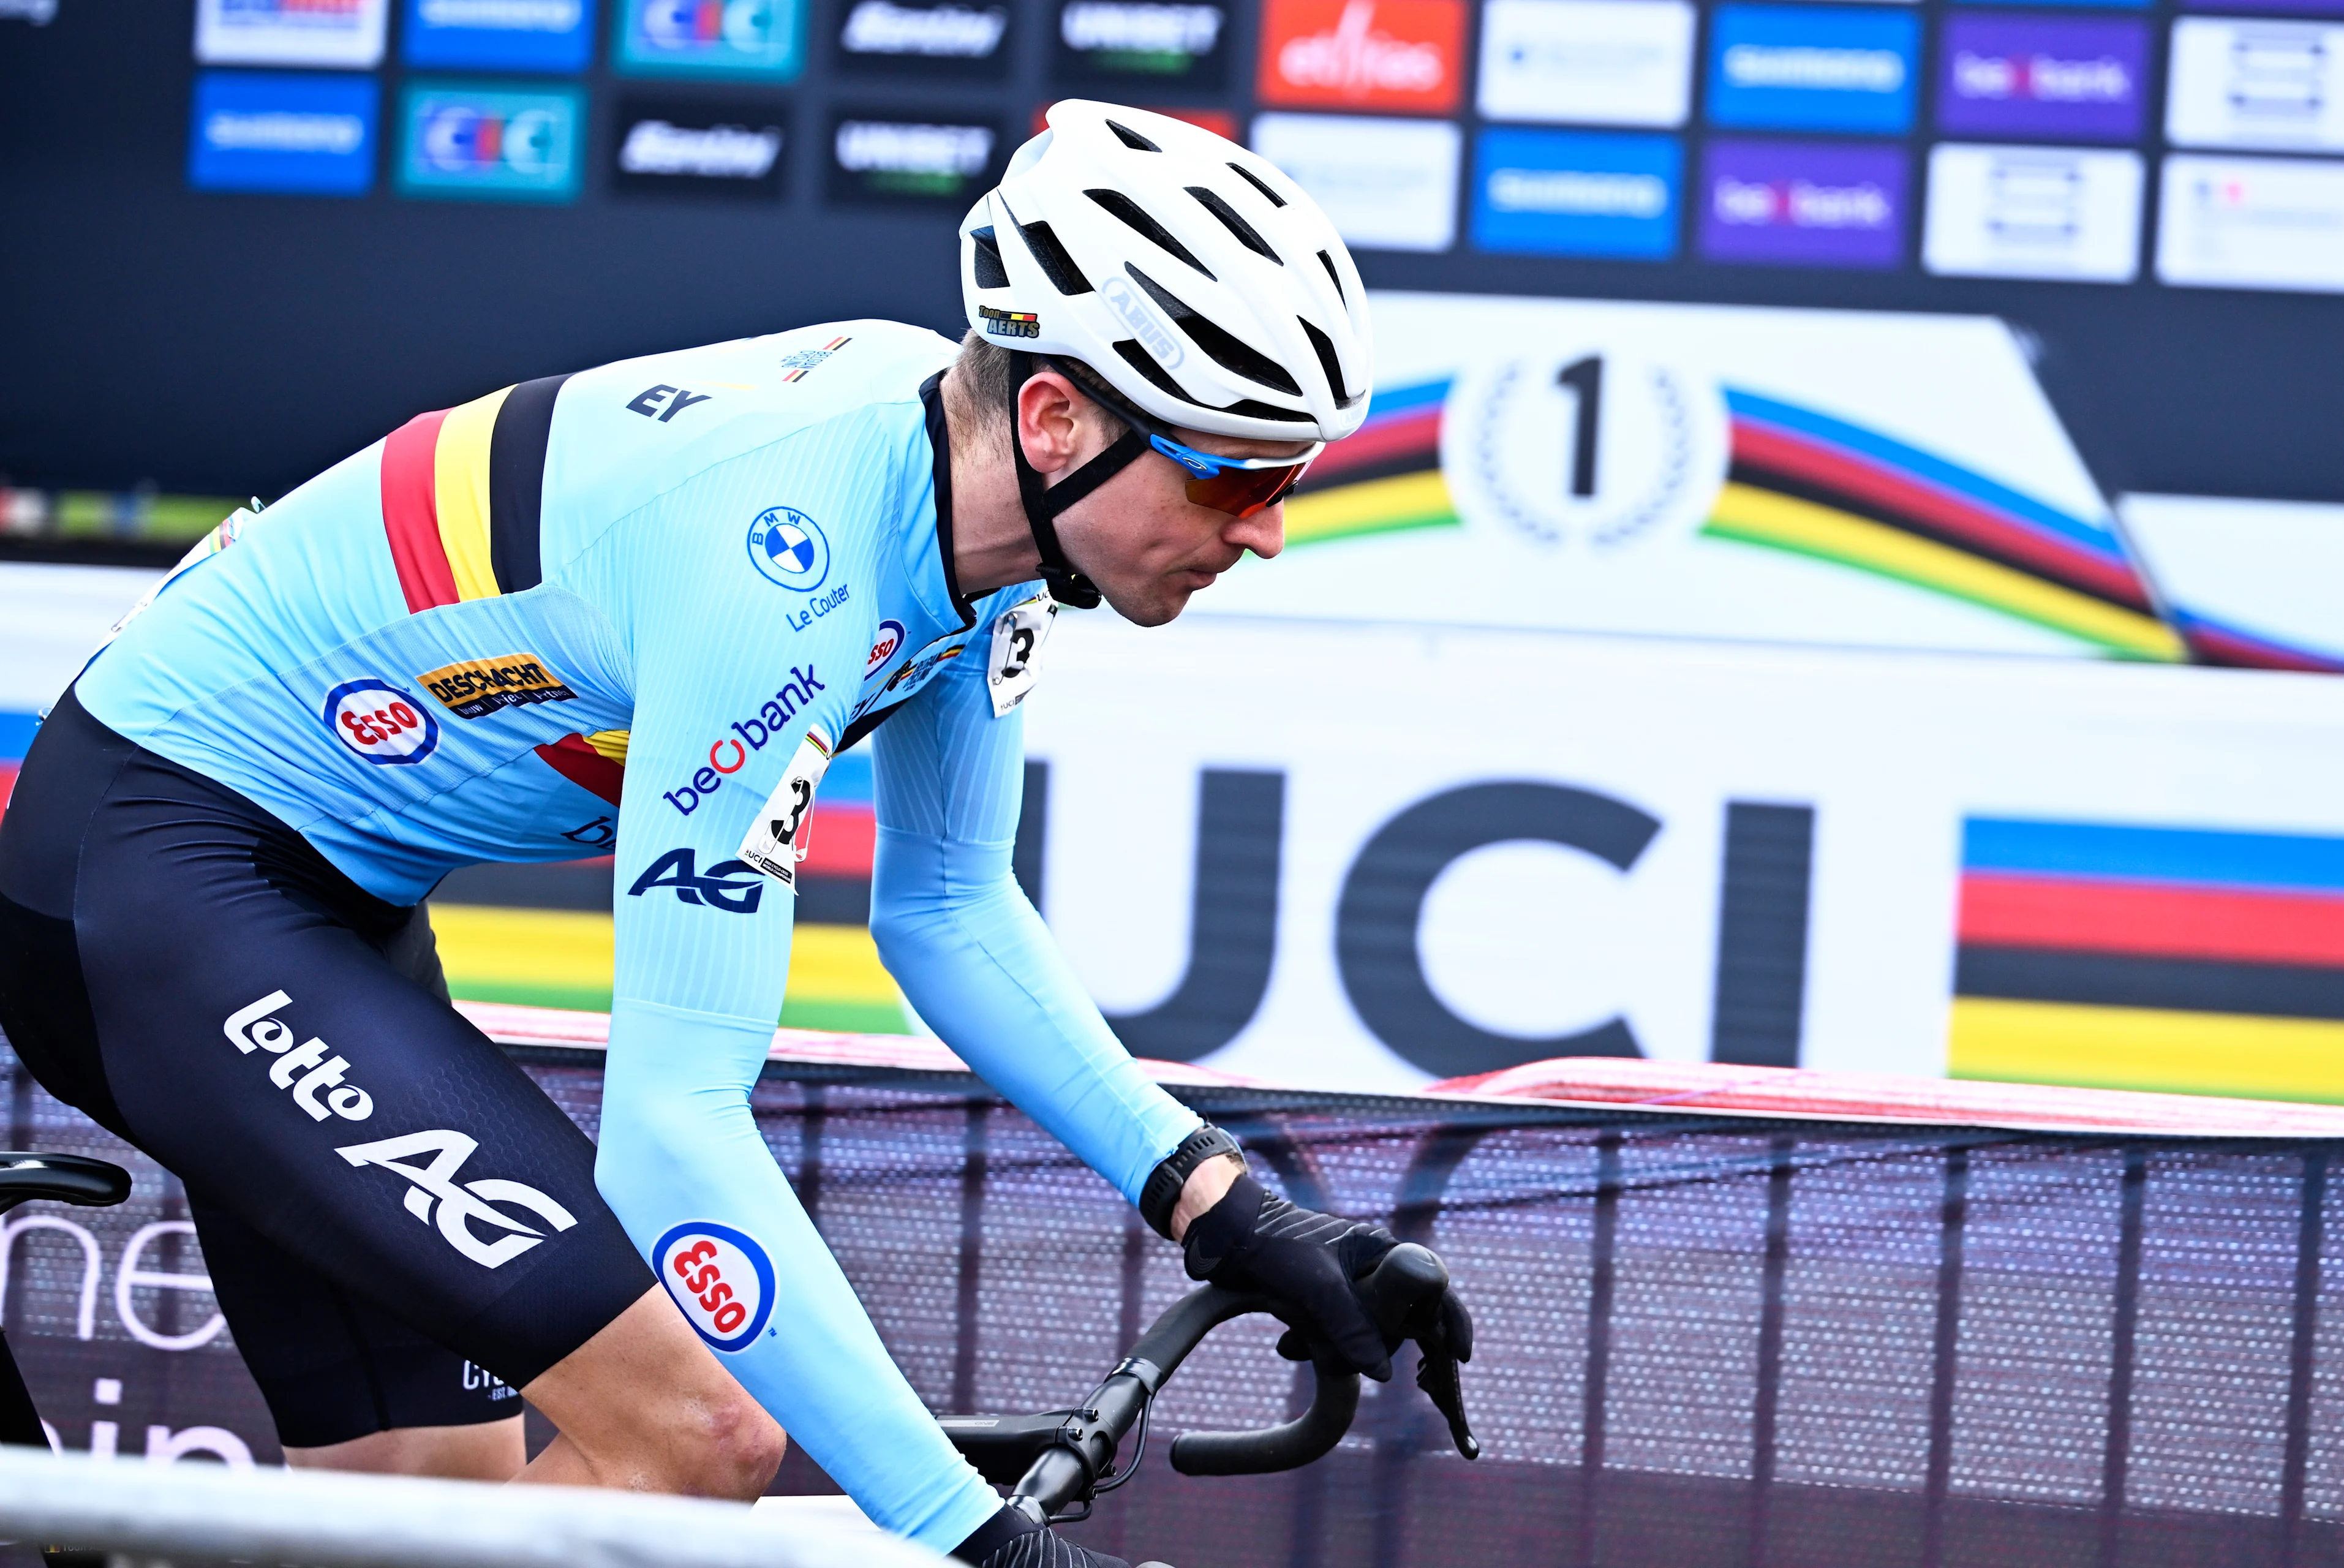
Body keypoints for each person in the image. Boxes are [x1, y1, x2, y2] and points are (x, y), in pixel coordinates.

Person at [0, 102, 1471, 1566]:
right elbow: (671, 1129)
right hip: (147, 868)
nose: (1266, 528)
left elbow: (948, 911)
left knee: (426, 1515)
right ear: (1054, 417)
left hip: (318, 893)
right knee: (692, 1437)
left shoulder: (986, 524)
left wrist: (1227, 1206)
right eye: (1233, 474)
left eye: (1290, 478)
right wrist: (966, 1536)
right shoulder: (782, 576)